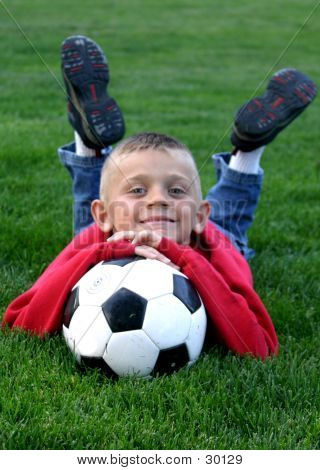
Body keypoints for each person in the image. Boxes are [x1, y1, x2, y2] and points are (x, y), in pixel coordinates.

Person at [2, 36, 317, 360]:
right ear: (104, 219)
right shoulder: (98, 238)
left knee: (228, 229)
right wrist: (104, 251)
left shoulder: (217, 251)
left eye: (175, 190)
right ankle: (89, 141)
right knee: (96, 214)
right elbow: (20, 323)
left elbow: (260, 347)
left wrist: (182, 256)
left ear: (199, 216)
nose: (158, 200)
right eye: (140, 189)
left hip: (201, 240)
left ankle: (248, 151)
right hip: (112, 230)